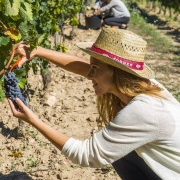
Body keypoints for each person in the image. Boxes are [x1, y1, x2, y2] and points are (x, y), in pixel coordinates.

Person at [8, 28, 180, 180]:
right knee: (119, 149)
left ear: (118, 72)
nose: (89, 75)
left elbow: (86, 155)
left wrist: (33, 120)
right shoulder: (144, 84)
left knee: (112, 149)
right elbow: (83, 67)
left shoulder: (144, 111)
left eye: (95, 69)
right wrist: (38, 51)